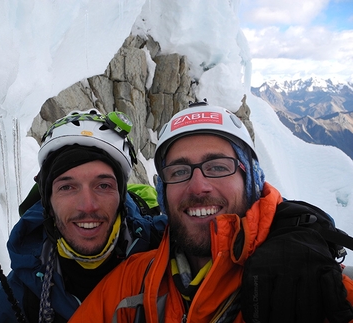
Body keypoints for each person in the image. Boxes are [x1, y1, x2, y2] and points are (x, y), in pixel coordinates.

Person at [68, 102, 353, 323]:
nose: (198, 186)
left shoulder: (312, 283)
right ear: (162, 193)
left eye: (217, 167)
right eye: (179, 171)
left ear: (250, 181)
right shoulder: (133, 282)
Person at [0, 108, 167, 322]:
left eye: (103, 185)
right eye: (67, 187)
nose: (87, 205)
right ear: (47, 202)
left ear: (121, 198)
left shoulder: (169, 250)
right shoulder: (8, 307)